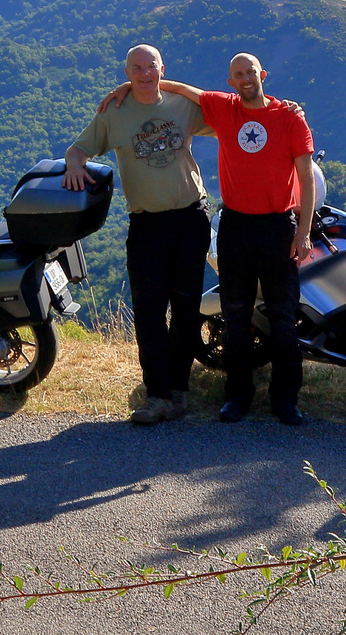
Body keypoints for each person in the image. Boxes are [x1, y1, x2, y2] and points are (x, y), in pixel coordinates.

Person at [105, 53, 316, 426]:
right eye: (238, 74)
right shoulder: (223, 108)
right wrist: (131, 84)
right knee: (236, 317)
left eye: (250, 71)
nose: (245, 78)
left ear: (262, 74)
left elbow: (307, 177)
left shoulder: (289, 117)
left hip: (278, 226)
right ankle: (237, 396)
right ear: (231, 81)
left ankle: (286, 399)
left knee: (283, 317)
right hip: (235, 226)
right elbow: (176, 87)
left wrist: (303, 230)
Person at [63, 44, 214, 425]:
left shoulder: (184, 107)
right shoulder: (114, 112)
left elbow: (232, 113)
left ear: (163, 69)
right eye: (136, 68)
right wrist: (74, 166)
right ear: (126, 71)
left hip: (192, 217)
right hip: (147, 225)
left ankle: (179, 390)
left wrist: (286, 109)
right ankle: (157, 395)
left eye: (152, 67)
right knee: (148, 311)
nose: (145, 73)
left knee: (185, 308)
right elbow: (78, 148)